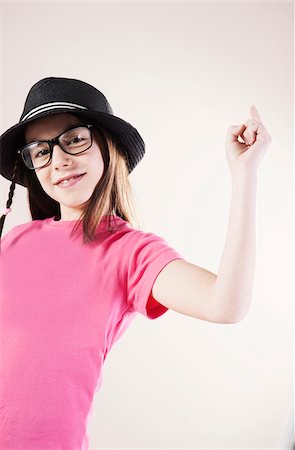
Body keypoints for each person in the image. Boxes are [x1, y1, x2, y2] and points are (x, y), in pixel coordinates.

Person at [0, 77, 272, 449]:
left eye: (74, 139)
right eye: (39, 150)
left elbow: (225, 304)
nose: (58, 159)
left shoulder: (129, 252)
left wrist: (245, 175)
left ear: (107, 147)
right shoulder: (15, 241)